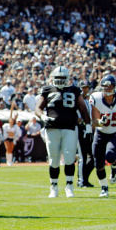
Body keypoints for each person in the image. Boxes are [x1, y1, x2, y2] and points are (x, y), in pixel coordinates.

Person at [35, 66, 91, 198]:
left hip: (70, 128)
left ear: (67, 78)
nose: (59, 81)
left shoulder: (75, 90)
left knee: (69, 157)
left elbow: (83, 109)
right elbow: (38, 107)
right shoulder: (47, 89)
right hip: (51, 128)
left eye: (62, 78)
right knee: (53, 159)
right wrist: (42, 116)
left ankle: (69, 185)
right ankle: (53, 187)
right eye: (57, 78)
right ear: (53, 78)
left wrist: (88, 125)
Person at [76, 80, 95, 187]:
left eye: (87, 87)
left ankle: (85, 178)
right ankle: (81, 180)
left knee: (93, 157)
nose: (85, 89)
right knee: (83, 156)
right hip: (80, 129)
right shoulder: (76, 101)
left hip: (89, 130)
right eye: (83, 87)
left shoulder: (88, 101)